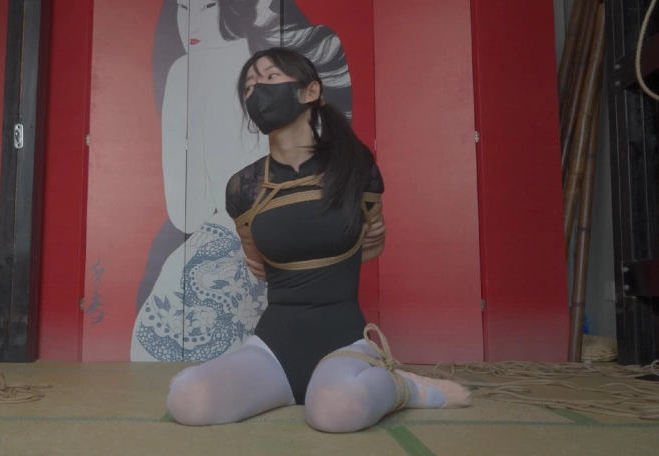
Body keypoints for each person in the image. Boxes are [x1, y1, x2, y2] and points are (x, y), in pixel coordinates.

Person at [165, 47, 472, 433]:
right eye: (249, 86)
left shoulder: (356, 168)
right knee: (187, 399)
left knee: (335, 412)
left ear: (310, 92)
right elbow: (260, 268)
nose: (257, 90)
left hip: (343, 342)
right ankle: (294, 389)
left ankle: (404, 387)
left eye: (270, 77)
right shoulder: (243, 188)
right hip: (272, 349)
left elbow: (371, 245)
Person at [131, 0, 356, 362]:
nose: (190, 22)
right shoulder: (316, 52)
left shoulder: (186, 73)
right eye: (183, 8)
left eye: (206, 6)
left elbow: (188, 212)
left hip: (232, 245)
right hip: (300, 273)